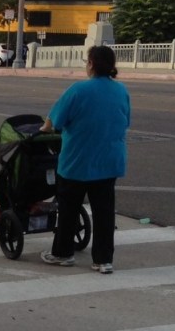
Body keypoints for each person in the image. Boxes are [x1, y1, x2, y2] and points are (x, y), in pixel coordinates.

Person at [39, 45, 130, 273]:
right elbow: (125, 121)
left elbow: (54, 122)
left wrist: (45, 127)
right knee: (104, 212)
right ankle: (103, 260)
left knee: (69, 208)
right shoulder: (121, 91)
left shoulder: (78, 90)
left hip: (77, 162)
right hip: (109, 162)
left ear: (91, 64)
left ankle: (63, 253)